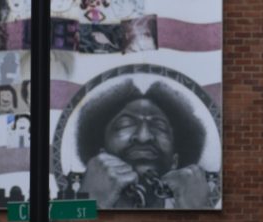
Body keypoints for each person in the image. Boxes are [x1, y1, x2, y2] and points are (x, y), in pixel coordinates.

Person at [76, 79, 216, 209]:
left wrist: (199, 210)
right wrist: (90, 202)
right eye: (125, 124)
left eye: (159, 127)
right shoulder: (76, 196)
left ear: (175, 161)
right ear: (102, 156)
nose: (144, 137)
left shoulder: (195, 204)